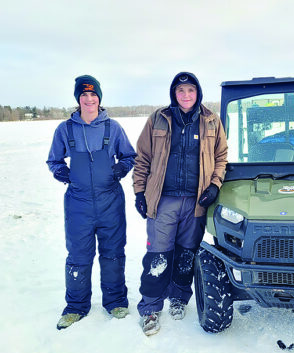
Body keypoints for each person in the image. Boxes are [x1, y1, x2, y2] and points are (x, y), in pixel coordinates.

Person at [133, 71, 228, 336]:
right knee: (158, 255)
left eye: (191, 91)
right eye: (180, 91)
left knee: (187, 253)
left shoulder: (211, 121)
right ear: (174, 94)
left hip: (195, 202)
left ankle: (178, 297)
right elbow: (142, 157)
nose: (186, 96)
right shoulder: (158, 120)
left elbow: (221, 156)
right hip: (164, 200)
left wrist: (214, 185)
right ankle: (150, 307)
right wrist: (140, 192)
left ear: (198, 93)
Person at [47, 75, 136, 330]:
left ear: (99, 98)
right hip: (78, 204)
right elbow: (54, 160)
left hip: (110, 202)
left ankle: (116, 301)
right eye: (83, 95)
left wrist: (120, 170)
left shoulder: (113, 128)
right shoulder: (65, 129)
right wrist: (61, 173)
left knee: (113, 254)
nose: (89, 99)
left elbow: (129, 156)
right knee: (78, 256)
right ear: (78, 99)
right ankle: (76, 306)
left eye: (93, 95)